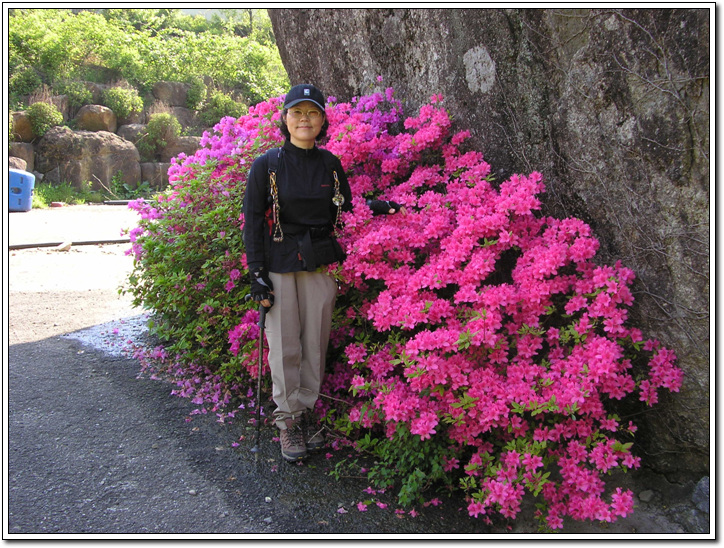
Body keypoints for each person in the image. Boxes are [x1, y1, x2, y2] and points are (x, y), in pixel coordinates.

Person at [243, 84, 404, 462]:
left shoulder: (330, 163)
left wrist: (382, 206)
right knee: (284, 346)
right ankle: (288, 423)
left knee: (314, 342)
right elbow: (252, 221)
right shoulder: (266, 165)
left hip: (318, 262)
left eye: (312, 113)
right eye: (297, 113)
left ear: (322, 121)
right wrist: (256, 274)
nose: (304, 119)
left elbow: (345, 206)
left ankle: (308, 412)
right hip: (279, 264)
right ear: (285, 119)